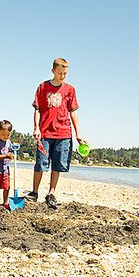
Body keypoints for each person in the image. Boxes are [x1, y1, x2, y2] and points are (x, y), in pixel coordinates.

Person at [26, 58, 87, 209]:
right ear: (53, 71)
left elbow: (73, 112)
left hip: (63, 133)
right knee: (40, 163)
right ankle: (34, 192)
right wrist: (36, 128)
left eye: (65, 73)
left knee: (57, 165)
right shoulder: (42, 87)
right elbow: (37, 109)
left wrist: (78, 133)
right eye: (60, 73)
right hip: (45, 132)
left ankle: (51, 193)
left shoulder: (70, 89)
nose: (62, 76)